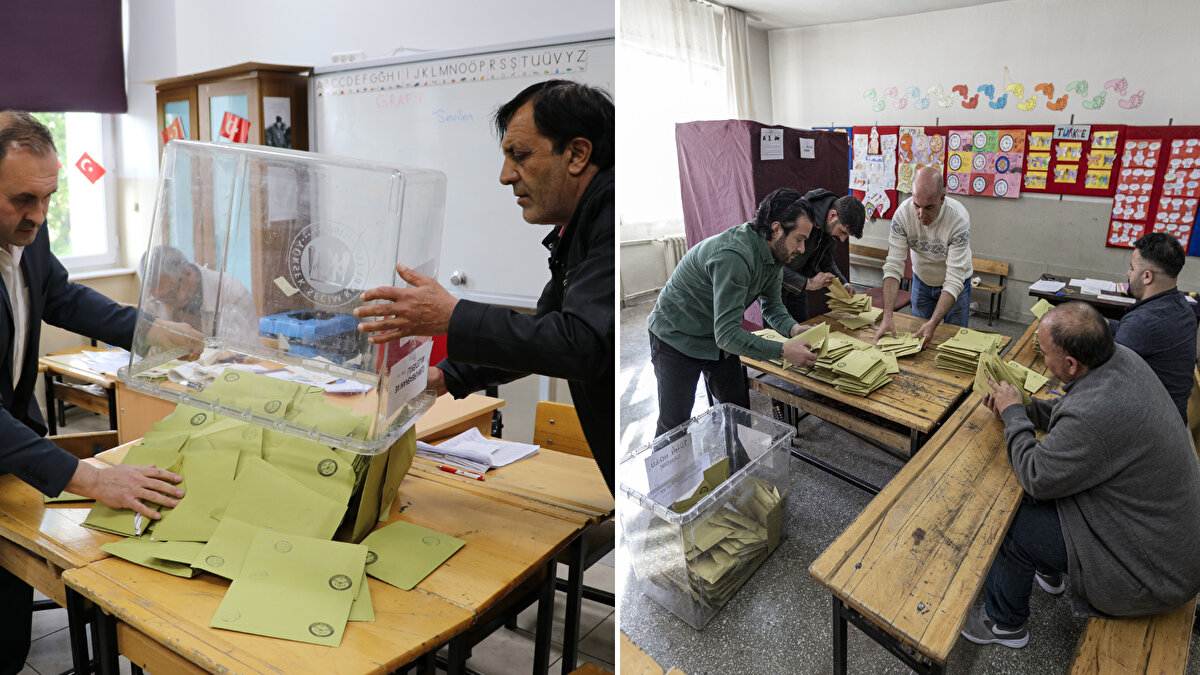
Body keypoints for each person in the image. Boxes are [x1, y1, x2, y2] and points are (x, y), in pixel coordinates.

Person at [352, 81, 614, 493]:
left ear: (577, 154)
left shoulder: (609, 214)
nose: (505, 176)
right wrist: (445, 377)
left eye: (520, 156)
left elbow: (581, 344)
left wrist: (453, 316)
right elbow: (547, 331)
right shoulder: (581, 224)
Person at [0, 111, 191, 673]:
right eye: (21, 200)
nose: (38, 215)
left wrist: (149, 331)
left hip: (15, 453)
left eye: (48, 198)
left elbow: (62, 296)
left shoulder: (28, 233)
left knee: (10, 628)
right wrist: (91, 478)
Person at [961, 302, 1200, 649]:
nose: (1043, 360)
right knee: (1050, 488)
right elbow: (1070, 410)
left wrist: (1014, 416)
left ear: (1071, 364)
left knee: (1013, 518)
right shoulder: (1121, 360)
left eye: (1045, 354)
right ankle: (1049, 569)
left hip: (1153, 575)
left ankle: (1004, 622)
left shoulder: (1094, 412)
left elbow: (1036, 475)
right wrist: (1025, 408)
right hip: (1164, 539)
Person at [648, 188, 820, 436]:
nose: (802, 249)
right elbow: (727, 335)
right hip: (675, 337)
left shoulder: (775, 256)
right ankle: (669, 463)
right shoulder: (735, 256)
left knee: (739, 414)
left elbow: (772, 306)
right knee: (674, 425)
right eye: (799, 239)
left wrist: (794, 329)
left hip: (715, 337)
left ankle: (739, 462)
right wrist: (784, 351)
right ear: (776, 229)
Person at [874, 166, 973, 343]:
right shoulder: (902, 216)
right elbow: (893, 266)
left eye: (928, 207)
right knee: (918, 337)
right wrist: (887, 315)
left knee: (955, 340)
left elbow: (953, 280)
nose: (921, 214)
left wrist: (934, 323)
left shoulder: (958, 219)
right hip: (922, 281)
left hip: (957, 284)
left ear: (942, 198)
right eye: (916, 205)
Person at [1109, 232, 1197, 422]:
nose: (1128, 273)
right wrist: (1099, 323)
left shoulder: (1142, 322)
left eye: (1132, 268)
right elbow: (1134, 334)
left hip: (1152, 425)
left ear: (1147, 276)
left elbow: (1105, 382)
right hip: (1173, 416)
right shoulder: (1182, 307)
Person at [139, 245, 262, 347]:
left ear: (188, 273)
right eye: (159, 299)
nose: (165, 304)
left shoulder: (233, 295)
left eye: (170, 295)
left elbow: (248, 354)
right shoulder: (154, 300)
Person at [780, 189, 866, 321]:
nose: (842, 239)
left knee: (803, 326)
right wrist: (808, 283)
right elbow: (773, 266)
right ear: (832, 215)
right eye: (843, 232)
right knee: (777, 330)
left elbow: (826, 261)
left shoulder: (829, 226)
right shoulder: (796, 215)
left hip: (799, 283)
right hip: (774, 284)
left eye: (847, 235)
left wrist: (844, 284)